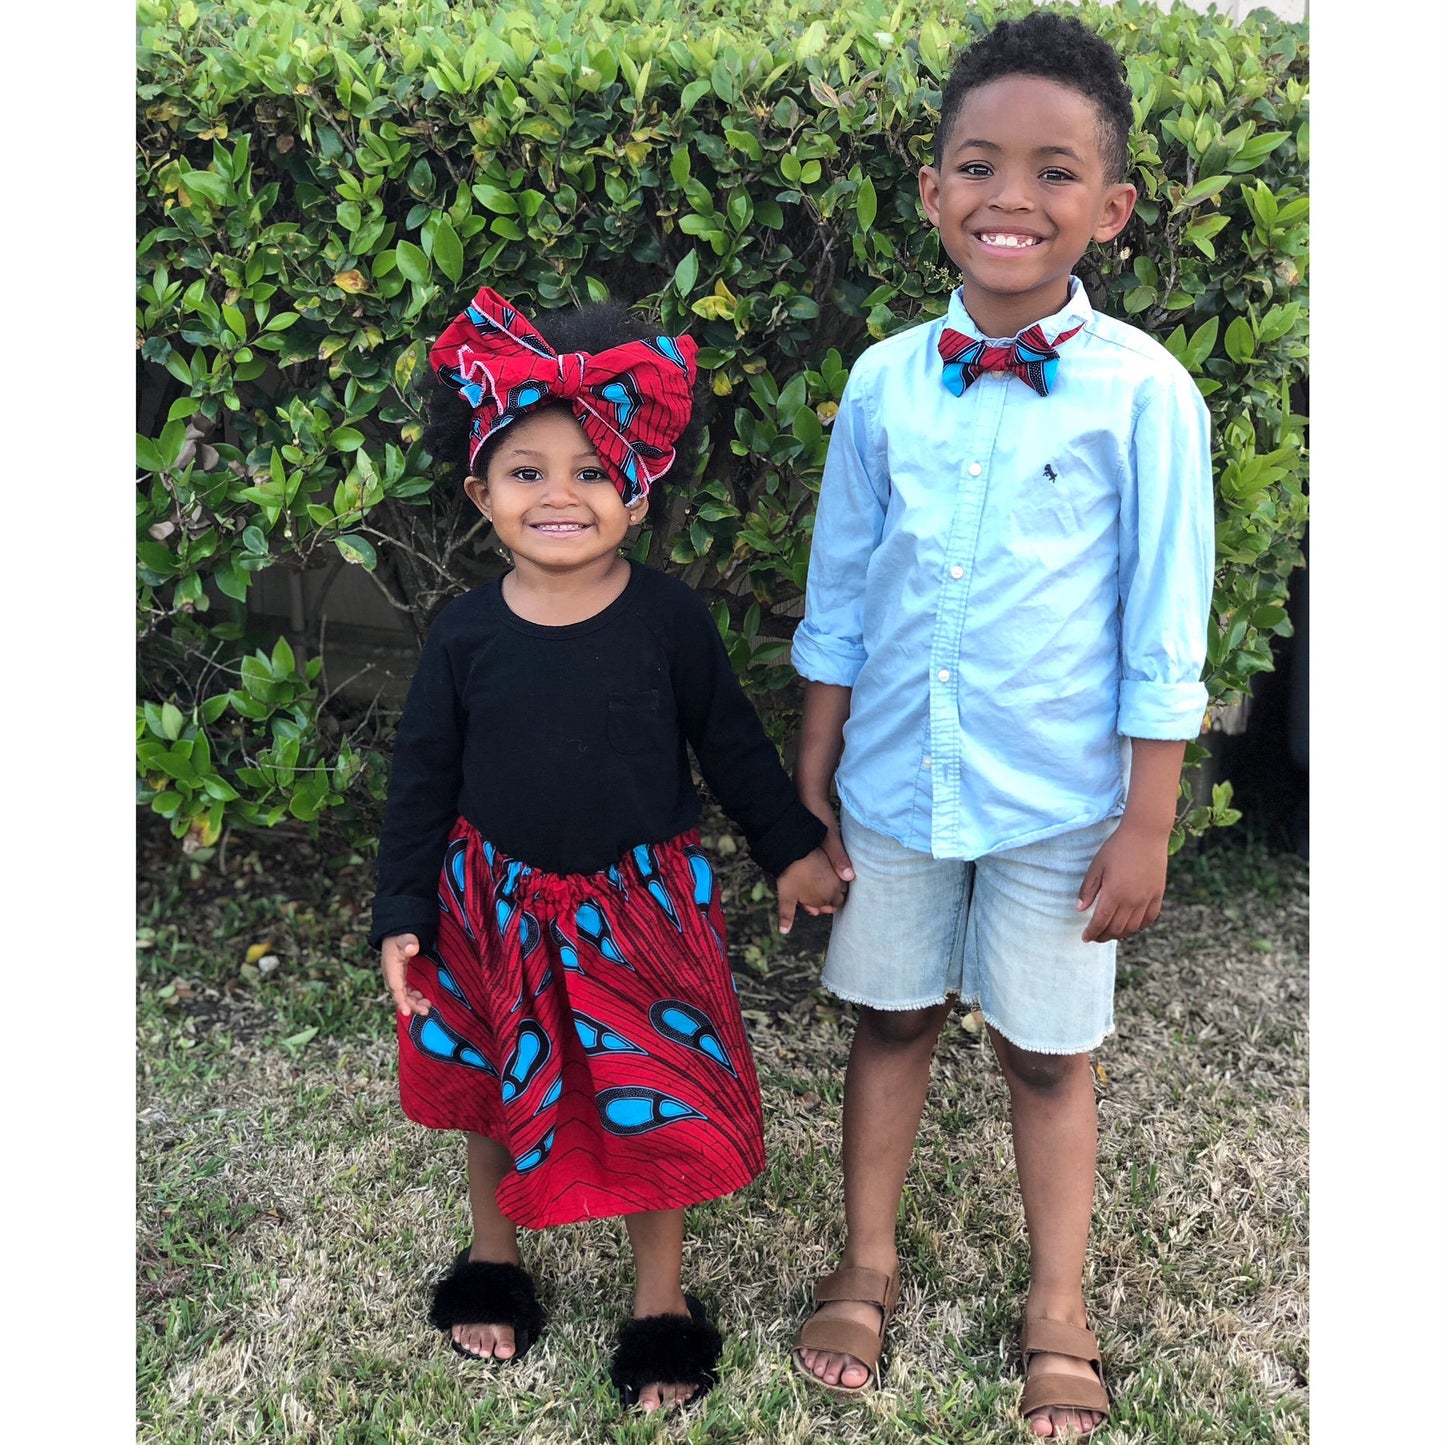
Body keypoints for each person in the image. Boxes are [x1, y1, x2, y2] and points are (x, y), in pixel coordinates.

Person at [787, 11, 1214, 1439]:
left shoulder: (1146, 394)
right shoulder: (882, 385)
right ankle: (865, 1261)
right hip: (899, 787)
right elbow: (842, 589)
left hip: (1059, 806)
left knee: (1045, 1050)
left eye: (1052, 172)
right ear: (930, 191)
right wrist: (815, 766)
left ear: (1112, 207)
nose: (1010, 201)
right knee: (890, 1016)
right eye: (978, 166)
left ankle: (1058, 1304)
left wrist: (1147, 820)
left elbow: (1164, 628)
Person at [370, 285, 846, 1413]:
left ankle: (658, 1304)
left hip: (638, 915)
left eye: (591, 470)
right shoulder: (463, 631)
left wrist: (789, 847)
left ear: (637, 488)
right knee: (491, 1089)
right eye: (528, 470)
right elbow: (421, 781)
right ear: (480, 489)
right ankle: (493, 1255)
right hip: (488, 907)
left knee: (654, 1099)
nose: (559, 494)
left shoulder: (670, 620)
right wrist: (401, 909)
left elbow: (729, 746)